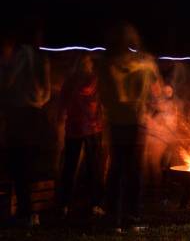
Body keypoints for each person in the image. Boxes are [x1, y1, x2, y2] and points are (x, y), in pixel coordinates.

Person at [99, 22, 161, 232]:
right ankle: (131, 217)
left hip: (116, 122)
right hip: (135, 122)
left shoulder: (106, 64)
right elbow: (157, 92)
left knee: (116, 169)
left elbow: (104, 94)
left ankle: (112, 218)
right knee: (133, 171)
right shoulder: (144, 65)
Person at [3, 23, 51, 227]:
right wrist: (39, 102)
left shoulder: (22, 55)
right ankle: (31, 213)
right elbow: (47, 90)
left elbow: (9, 81)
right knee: (30, 162)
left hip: (21, 112)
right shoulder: (42, 58)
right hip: (36, 112)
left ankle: (25, 212)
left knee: (19, 162)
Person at [58, 53, 105, 218]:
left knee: (70, 166)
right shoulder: (96, 80)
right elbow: (102, 102)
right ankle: (95, 204)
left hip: (75, 128)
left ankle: (64, 204)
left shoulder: (71, 81)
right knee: (94, 168)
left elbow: (62, 102)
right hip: (92, 128)